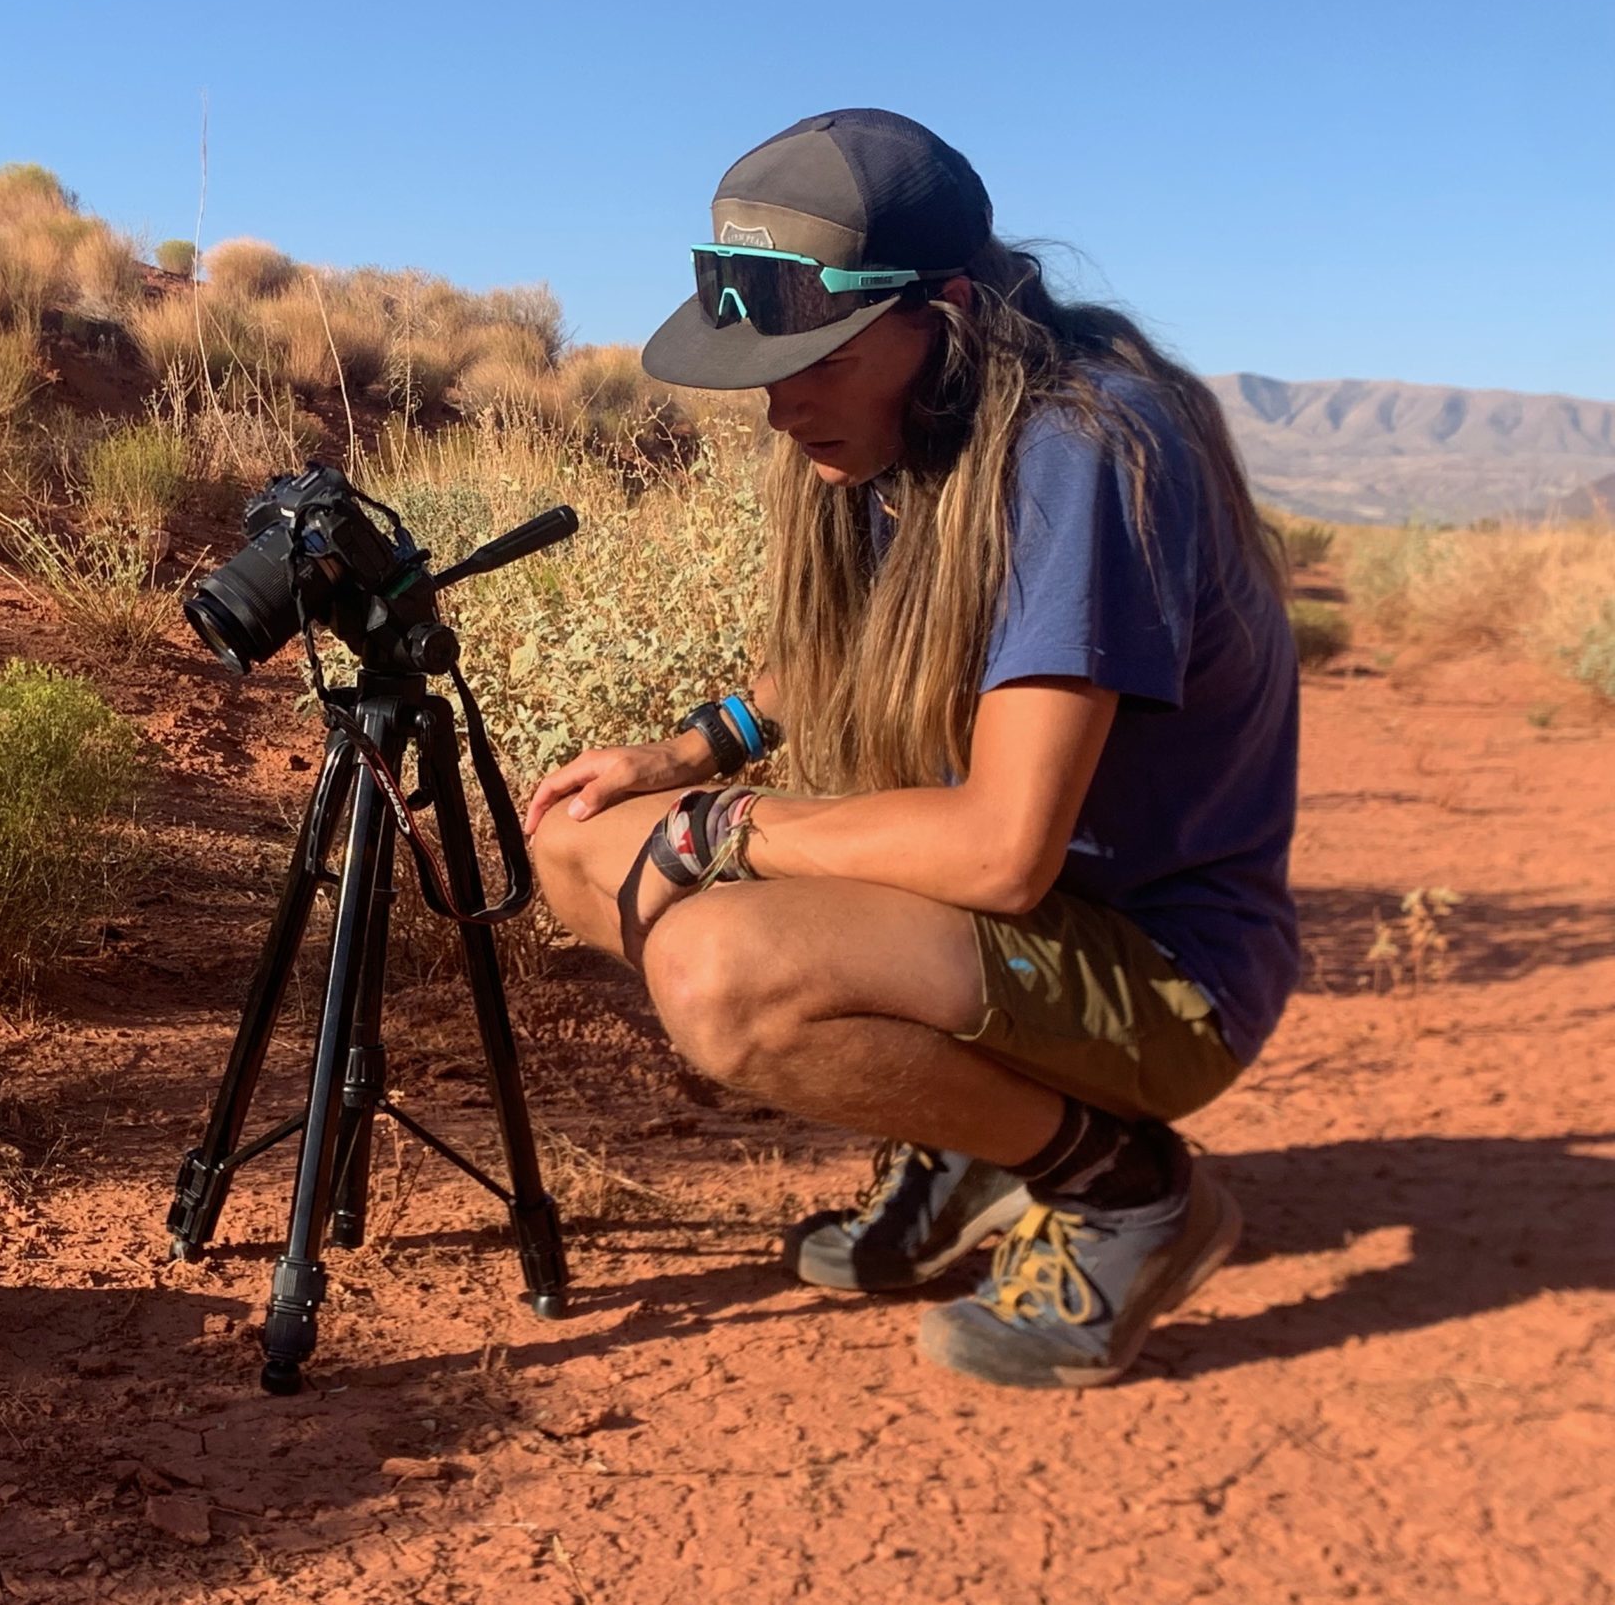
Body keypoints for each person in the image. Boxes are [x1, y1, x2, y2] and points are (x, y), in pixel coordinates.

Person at [524, 108, 1297, 1389]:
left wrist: (729, 827)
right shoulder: (915, 428)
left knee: (720, 971)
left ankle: (1123, 1188)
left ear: (942, 309)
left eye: (816, 357)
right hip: (1011, 927)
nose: (781, 402)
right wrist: (688, 752)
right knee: (572, 847)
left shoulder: (1076, 450)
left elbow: (998, 851)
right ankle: (971, 1134)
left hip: (1164, 971)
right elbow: (867, 636)